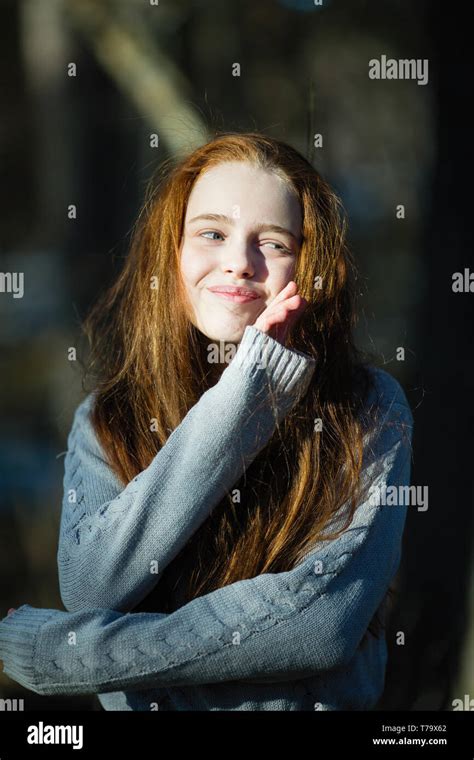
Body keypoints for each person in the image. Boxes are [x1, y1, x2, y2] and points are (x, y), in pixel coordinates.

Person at [0, 132, 413, 711]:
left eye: (271, 243)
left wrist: (80, 658)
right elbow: (96, 586)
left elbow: (321, 626)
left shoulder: (369, 408)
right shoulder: (107, 419)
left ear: (309, 262)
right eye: (212, 234)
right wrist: (245, 398)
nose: (238, 264)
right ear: (173, 251)